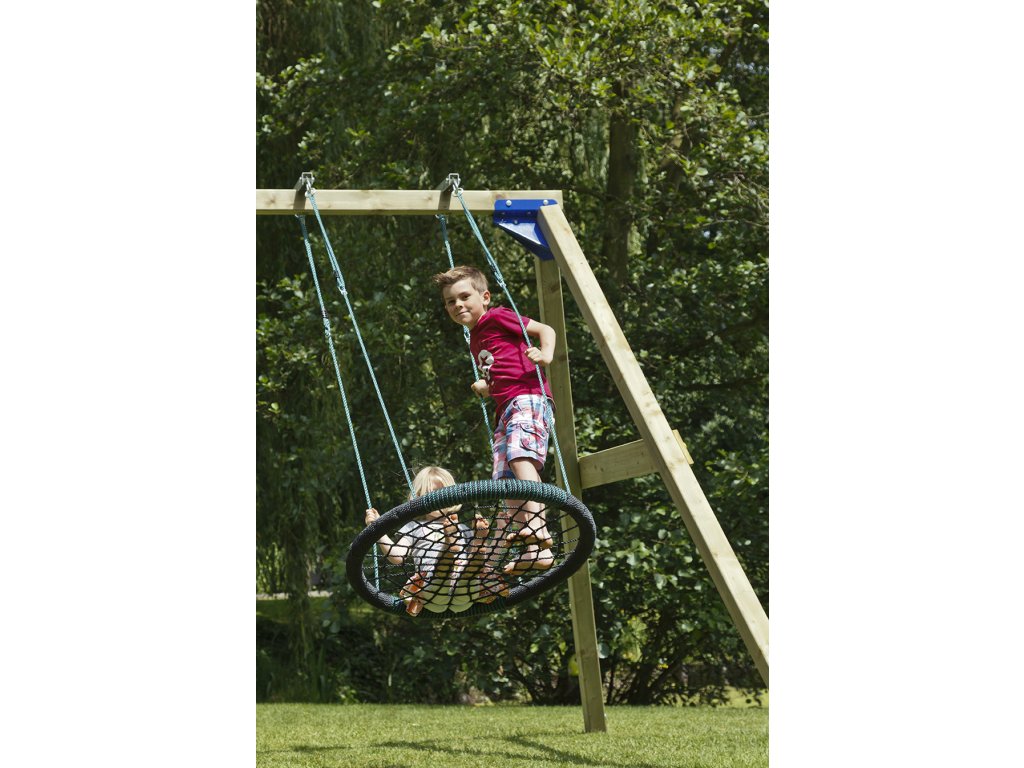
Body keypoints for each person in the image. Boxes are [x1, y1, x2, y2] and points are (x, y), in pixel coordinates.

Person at [432, 265, 557, 577]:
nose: (458, 304)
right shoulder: (475, 338)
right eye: (450, 301)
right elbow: (504, 368)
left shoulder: (497, 317)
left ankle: (539, 531)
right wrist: (487, 386)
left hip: (528, 397)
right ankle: (533, 551)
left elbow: (546, 330)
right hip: (505, 409)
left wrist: (545, 355)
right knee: (505, 479)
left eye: (464, 297)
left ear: (484, 297)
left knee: (520, 456)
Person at [363, 465, 508, 616]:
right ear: (419, 497)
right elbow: (396, 557)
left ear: (454, 497)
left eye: (443, 493)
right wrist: (377, 528)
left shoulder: (462, 528)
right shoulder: (414, 527)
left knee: (471, 571)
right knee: (443, 576)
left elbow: (488, 560)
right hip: (431, 590)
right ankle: (450, 546)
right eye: (431, 494)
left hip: (464, 591)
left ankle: (474, 543)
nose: (438, 499)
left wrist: (501, 531)